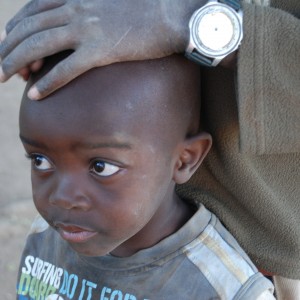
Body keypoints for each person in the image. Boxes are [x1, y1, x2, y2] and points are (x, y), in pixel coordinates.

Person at [1, 0, 299, 298]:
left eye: (101, 166)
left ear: (186, 159)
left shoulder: (230, 289)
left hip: (261, 246)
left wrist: (190, 21)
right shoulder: (47, 238)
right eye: (39, 160)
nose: (62, 197)